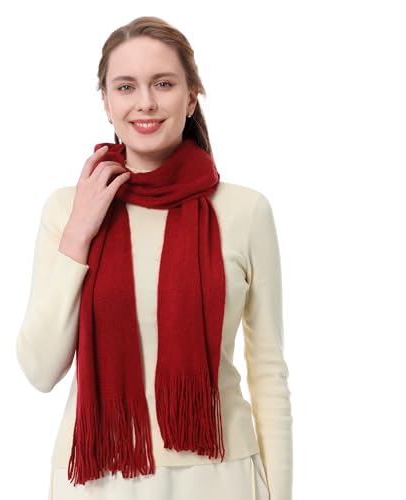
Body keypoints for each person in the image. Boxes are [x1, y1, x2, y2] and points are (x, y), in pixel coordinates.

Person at [16, 15, 293, 500]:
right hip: (97, 478)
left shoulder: (245, 210)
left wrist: (282, 492)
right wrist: (80, 232)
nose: (145, 102)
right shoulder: (66, 209)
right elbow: (40, 369)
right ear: (107, 102)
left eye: (163, 83)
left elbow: (268, 370)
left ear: (192, 97)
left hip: (219, 474)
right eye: (126, 86)